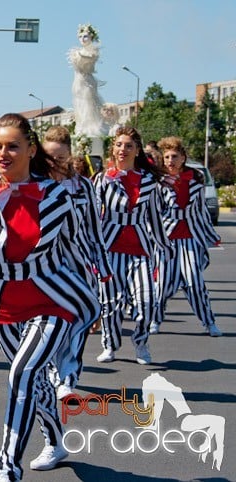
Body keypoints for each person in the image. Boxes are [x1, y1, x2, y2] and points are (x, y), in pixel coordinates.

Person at [0, 114, 100, 481]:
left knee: (22, 374)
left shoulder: (58, 196)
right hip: (8, 305)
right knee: (35, 382)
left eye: (12, 146)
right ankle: (56, 440)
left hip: (53, 297)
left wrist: (93, 307)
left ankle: (6, 467)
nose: (3, 153)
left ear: (31, 149)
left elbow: (81, 251)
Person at [42, 125, 112, 399]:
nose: (55, 162)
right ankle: (51, 367)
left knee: (77, 322)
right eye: (50, 157)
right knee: (48, 322)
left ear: (70, 155)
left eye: (60, 157)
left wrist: (103, 269)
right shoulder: (36, 183)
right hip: (44, 267)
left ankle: (68, 375)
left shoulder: (83, 186)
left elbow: (95, 230)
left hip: (78, 265)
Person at [93, 126, 172, 365]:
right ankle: (110, 344)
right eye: (119, 145)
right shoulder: (103, 179)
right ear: (113, 148)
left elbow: (155, 218)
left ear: (137, 150)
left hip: (140, 250)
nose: (123, 150)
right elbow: (94, 217)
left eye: (128, 146)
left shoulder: (148, 182)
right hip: (111, 247)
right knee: (110, 303)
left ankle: (141, 342)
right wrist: (91, 251)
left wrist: (165, 248)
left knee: (147, 301)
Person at [150, 137, 222, 337]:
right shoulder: (160, 182)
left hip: (190, 237)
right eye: (166, 157)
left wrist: (210, 234)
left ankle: (209, 322)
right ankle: (155, 319)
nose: (170, 161)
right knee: (162, 283)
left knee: (194, 281)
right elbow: (153, 213)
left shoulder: (195, 180)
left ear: (183, 158)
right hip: (167, 238)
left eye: (174, 156)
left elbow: (201, 212)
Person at [68, 23, 106, 137]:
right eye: (80, 36)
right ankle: (80, 127)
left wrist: (79, 55)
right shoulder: (76, 51)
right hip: (77, 81)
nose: (83, 39)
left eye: (86, 36)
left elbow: (88, 58)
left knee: (88, 103)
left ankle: (90, 129)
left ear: (91, 38)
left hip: (87, 81)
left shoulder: (93, 51)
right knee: (79, 103)